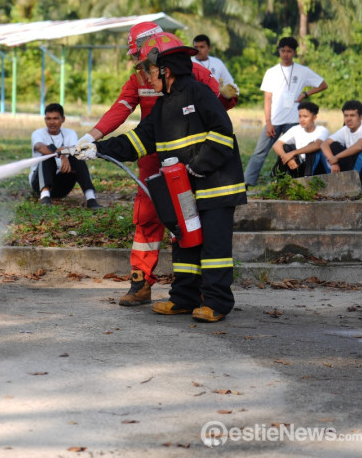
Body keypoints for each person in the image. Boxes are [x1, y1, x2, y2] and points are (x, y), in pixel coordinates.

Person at [79, 33, 246, 323]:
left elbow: (223, 134)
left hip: (216, 187)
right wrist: (97, 149)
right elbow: (139, 140)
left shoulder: (199, 94)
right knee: (185, 241)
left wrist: (197, 166)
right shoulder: (163, 107)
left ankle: (217, 303)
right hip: (187, 190)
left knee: (214, 247)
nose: (146, 76)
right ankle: (184, 299)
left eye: (150, 70)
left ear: (166, 70)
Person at [243, 37, 327, 187]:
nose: (285, 54)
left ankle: (283, 181)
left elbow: (323, 85)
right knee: (259, 152)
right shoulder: (271, 72)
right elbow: (267, 98)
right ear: (279, 51)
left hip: (295, 120)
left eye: (289, 51)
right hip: (274, 120)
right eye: (283, 51)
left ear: (294, 52)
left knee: (292, 151)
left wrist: (305, 94)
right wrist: (268, 122)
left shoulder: (303, 71)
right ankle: (247, 182)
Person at [30, 103, 101, 209]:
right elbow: (40, 147)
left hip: (62, 186)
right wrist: (62, 155)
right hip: (39, 183)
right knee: (47, 154)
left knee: (76, 156)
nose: (51, 122)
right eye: (48, 119)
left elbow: (74, 149)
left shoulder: (70, 133)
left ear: (63, 119)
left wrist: (65, 152)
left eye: (55, 118)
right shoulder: (38, 133)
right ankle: (45, 198)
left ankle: (91, 199)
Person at [320, 100, 362, 184]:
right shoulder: (345, 130)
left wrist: (336, 157)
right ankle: (339, 178)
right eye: (346, 116)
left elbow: (359, 146)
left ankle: (350, 182)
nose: (348, 119)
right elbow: (324, 144)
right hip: (357, 164)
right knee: (333, 145)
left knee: (360, 151)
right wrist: (333, 162)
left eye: (352, 115)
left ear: (360, 117)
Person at [270, 101, 329, 179]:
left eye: (305, 116)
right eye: (300, 116)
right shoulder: (296, 129)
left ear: (314, 118)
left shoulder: (322, 130)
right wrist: (288, 158)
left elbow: (317, 145)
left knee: (312, 148)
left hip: (319, 168)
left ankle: (308, 180)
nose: (302, 120)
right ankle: (278, 180)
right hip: (301, 166)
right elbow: (277, 144)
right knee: (285, 147)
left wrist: (293, 153)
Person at [192, 34, 238, 107]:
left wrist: (228, 93)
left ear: (209, 48)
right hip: (196, 103)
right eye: (196, 47)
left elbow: (229, 82)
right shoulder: (190, 63)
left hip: (217, 102)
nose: (198, 50)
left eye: (202, 47)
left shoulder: (217, 63)